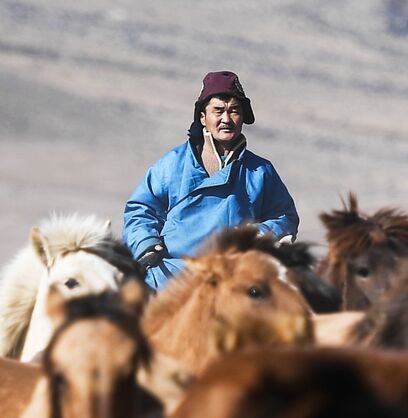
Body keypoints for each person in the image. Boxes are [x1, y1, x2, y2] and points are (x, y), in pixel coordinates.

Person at [123, 71, 299, 289]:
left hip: (234, 280)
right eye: (218, 111)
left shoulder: (260, 171)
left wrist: (255, 235)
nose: (226, 119)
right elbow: (140, 209)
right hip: (170, 276)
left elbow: (285, 216)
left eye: (234, 111)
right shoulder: (172, 164)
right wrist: (146, 244)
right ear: (202, 117)